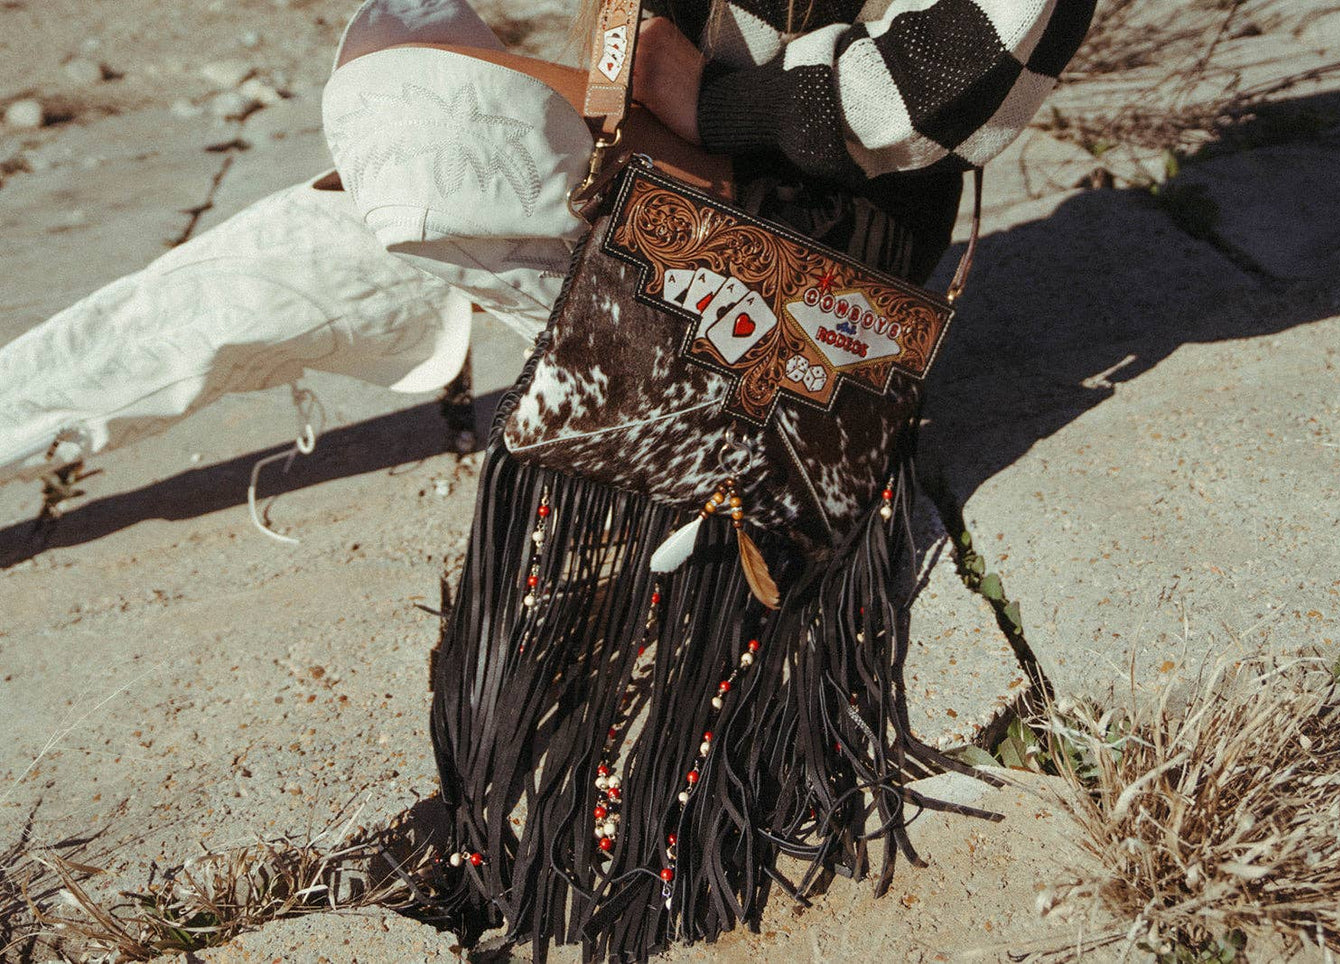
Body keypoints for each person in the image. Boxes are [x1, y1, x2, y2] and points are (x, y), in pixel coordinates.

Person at [416, 1, 1097, 961]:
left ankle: (640, 842)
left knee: (708, 606)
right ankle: (517, 801)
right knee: (406, 111)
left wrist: (709, 104)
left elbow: (951, 75)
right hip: (673, 172)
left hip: (826, 218)